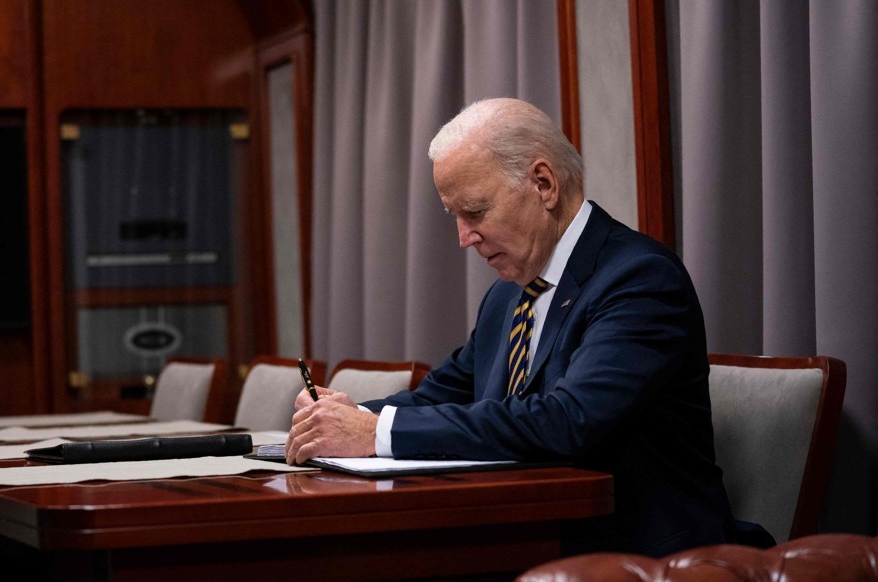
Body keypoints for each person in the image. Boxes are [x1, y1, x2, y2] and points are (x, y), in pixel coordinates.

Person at [286, 98, 732, 557]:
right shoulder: (510, 293)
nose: (464, 237)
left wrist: (372, 432)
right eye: (455, 217)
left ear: (543, 184)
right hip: (520, 539)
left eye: (475, 212)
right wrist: (343, 417)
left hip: (639, 560)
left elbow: (566, 421)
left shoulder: (638, 279)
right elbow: (439, 396)